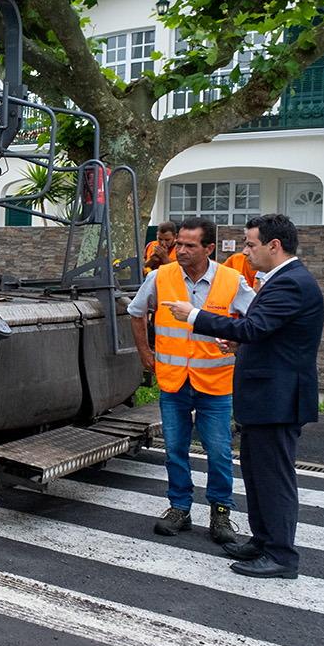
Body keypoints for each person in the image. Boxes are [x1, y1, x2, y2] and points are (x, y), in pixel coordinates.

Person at [164, 213, 324, 579]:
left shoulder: (292, 283)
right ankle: (263, 541)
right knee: (256, 475)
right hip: (265, 399)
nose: (245, 251)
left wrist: (195, 316)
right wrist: (239, 342)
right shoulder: (281, 280)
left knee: (273, 479)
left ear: (274, 246)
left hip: (278, 401)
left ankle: (281, 556)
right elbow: (266, 333)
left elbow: (254, 325)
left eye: (251, 244)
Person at [128, 217, 255, 543]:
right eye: (178, 244)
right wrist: (145, 352)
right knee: (175, 449)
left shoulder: (231, 280)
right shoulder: (160, 276)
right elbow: (135, 311)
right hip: (173, 381)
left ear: (209, 248)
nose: (179, 250)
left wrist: (238, 340)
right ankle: (179, 508)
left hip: (214, 383)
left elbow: (257, 319)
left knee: (218, 450)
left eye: (189, 245)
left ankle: (220, 512)